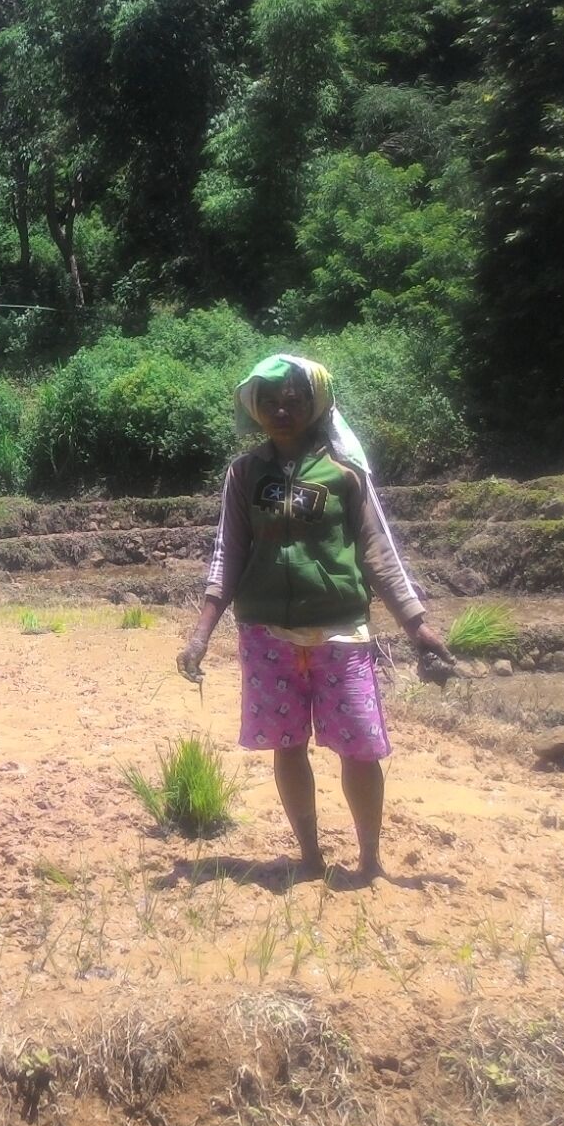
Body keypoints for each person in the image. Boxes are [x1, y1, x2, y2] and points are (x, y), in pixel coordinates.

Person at [177, 355, 452, 882]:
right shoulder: (244, 474)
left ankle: (370, 861)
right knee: (287, 745)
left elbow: (379, 552)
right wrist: (200, 634)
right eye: (270, 400)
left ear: (316, 403)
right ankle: (310, 856)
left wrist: (417, 624)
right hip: (266, 636)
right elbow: (227, 555)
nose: (282, 408)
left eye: (295, 398)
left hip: (340, 634)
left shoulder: (345, 472)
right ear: (254, 407)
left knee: (360, 748)